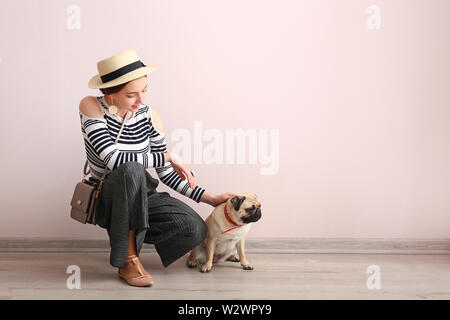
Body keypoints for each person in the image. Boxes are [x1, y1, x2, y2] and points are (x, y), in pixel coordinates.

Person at [79, 49, 235, 287]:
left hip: (141, 193)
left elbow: (164, 174)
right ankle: (127, 260)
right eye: (132, 95)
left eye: (144, 90)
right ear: (110, 94)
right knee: (130, 169)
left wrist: (208, 197)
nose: (141, 100)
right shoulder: (91, 106)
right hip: (108, 195)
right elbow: (113, 160)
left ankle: (132, 238)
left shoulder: (149, 116)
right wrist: (168, 156)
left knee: (194, 228)